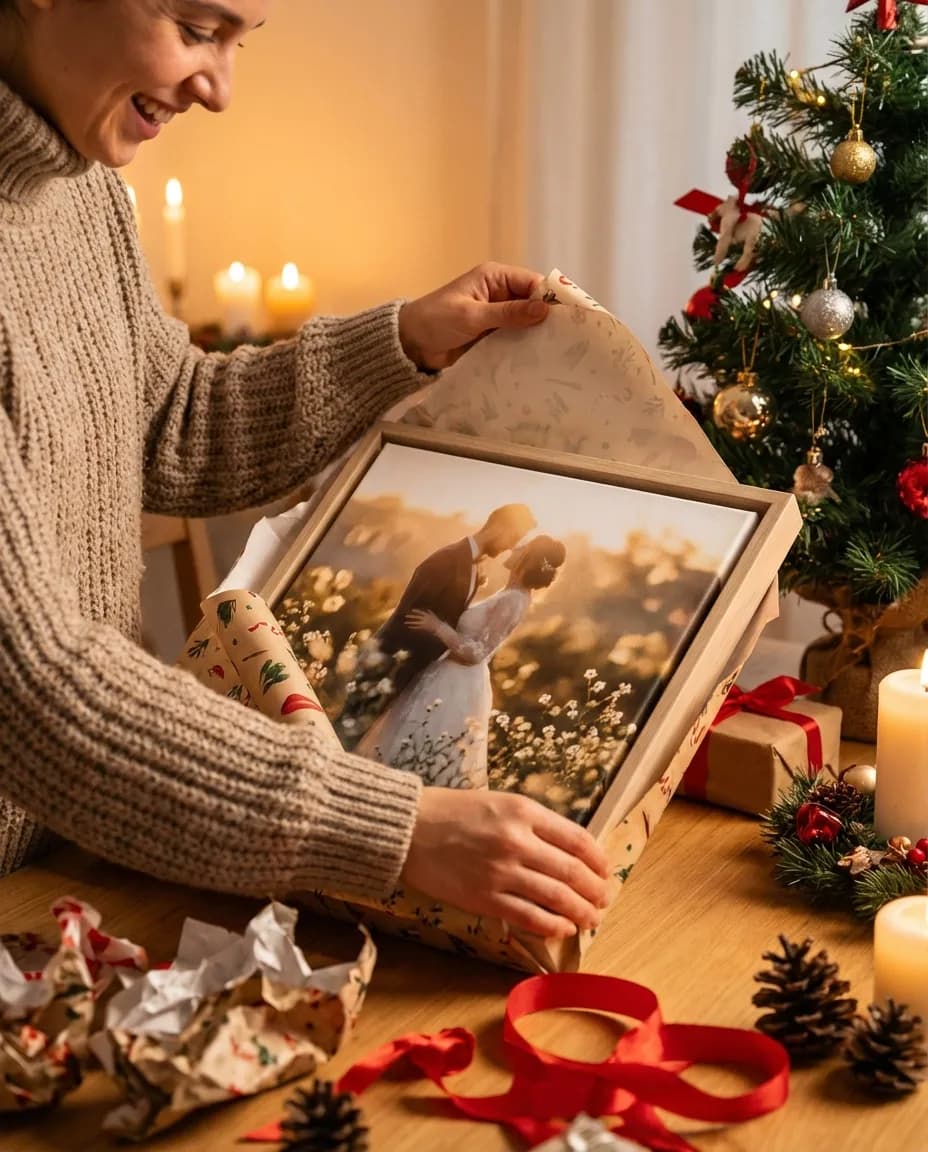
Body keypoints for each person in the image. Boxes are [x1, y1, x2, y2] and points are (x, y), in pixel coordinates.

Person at [0, 0, 609, 942]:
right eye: (199, 30)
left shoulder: (74, 184)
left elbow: (173, 426)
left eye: (243, 41)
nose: (222, 89)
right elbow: (30, 691)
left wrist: (404, 340)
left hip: (73, 869)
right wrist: (391, 825)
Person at [357, 535, 566, 790]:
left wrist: (438, 627)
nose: (515, 547)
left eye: (523, 546)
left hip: (457, 683)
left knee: (422, 745)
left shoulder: (514, 600)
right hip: (447, 672)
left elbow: (478, 652)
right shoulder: (510, 593)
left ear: (527, 557)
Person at [366, 502, 537, 698]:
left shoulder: (474, 565)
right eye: (514, 537)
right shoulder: (448, 559)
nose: (511, 546)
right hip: (388, 667)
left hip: (410, 674)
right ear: (499, 527)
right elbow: (409, 616)